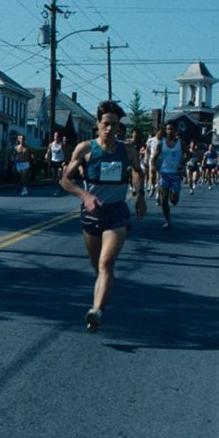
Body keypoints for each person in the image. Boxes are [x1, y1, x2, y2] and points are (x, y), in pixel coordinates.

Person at [60, 100, 147, 331]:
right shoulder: (86, 149)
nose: (110, 129)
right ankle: (101, 293)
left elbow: (138, 171)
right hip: (92, 213)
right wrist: (85, 196)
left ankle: (96, 311)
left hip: (116, 212)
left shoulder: (127, 149)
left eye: (115, 125)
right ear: (98, 124)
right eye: (106, 124)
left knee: (106, 262)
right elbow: (65, 180)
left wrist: (140, 196)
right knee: (96, 265)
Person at [151, 121, 186, 230]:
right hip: (164, 173)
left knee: (174, 201)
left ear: (175, 131)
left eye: (172, 129)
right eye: (168, 129)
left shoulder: (181, 143)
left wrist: (182, 163)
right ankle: (167, 220)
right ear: (165, 131)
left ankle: (175, 194)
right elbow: (154, 158)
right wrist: (154, 167)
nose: (170, 131)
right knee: (163, 198)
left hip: (176, 174)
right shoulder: (161, 143)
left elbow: (189, 154)